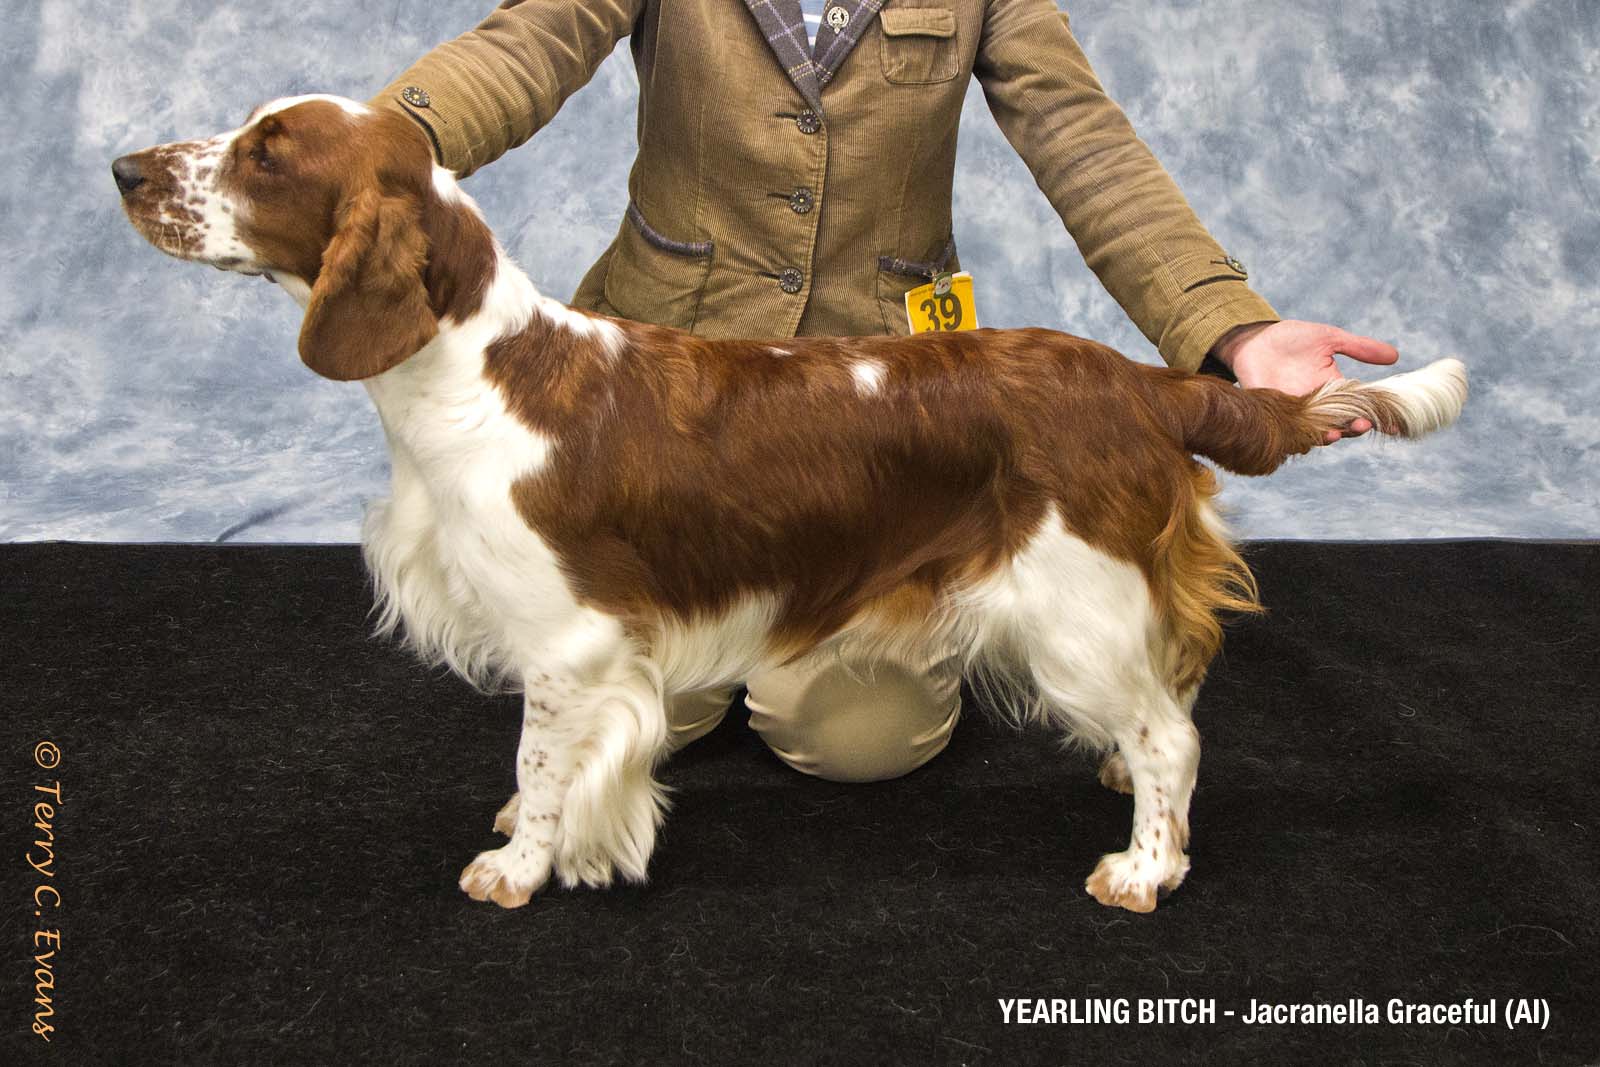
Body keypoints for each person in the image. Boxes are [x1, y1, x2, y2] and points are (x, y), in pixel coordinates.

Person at [371, 0, 1399, 783]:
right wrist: (379, 144)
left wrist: (1231, 326)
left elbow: (1083, 139)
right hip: (661, 405)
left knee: (856, 742)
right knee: (630, 696)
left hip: (881, 435)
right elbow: (529, 41)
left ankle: (793, 637)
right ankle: (710, 648)